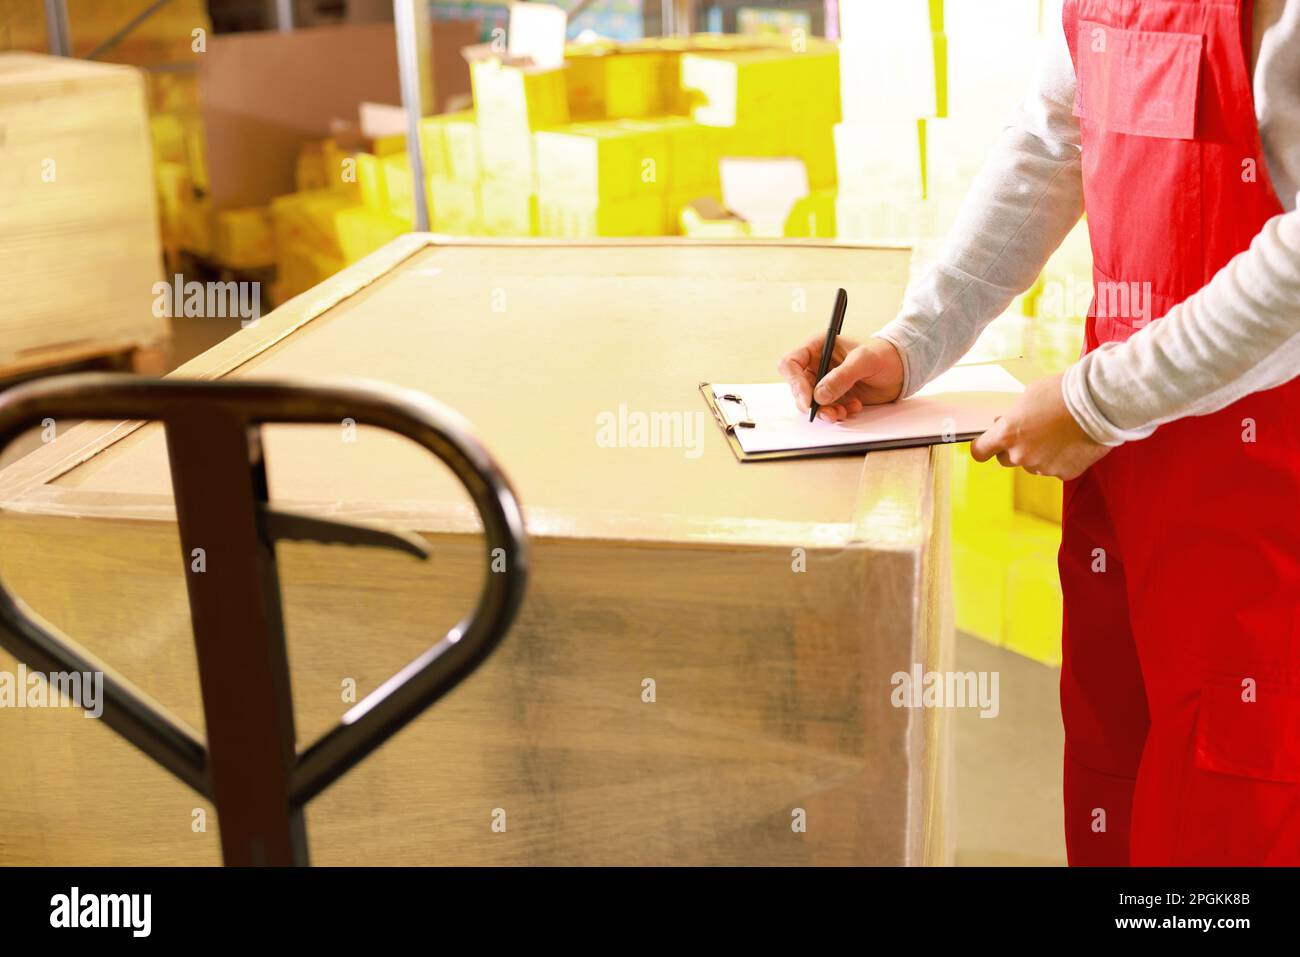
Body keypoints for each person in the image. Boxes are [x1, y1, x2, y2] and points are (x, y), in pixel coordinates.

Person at [780, 0, 1300, 866]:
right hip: (1123, 474)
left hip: (1258, 487)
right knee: (1119, 784)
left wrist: (1100, 402)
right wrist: (915, 341)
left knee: (1229, 819)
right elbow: (1054, 138)